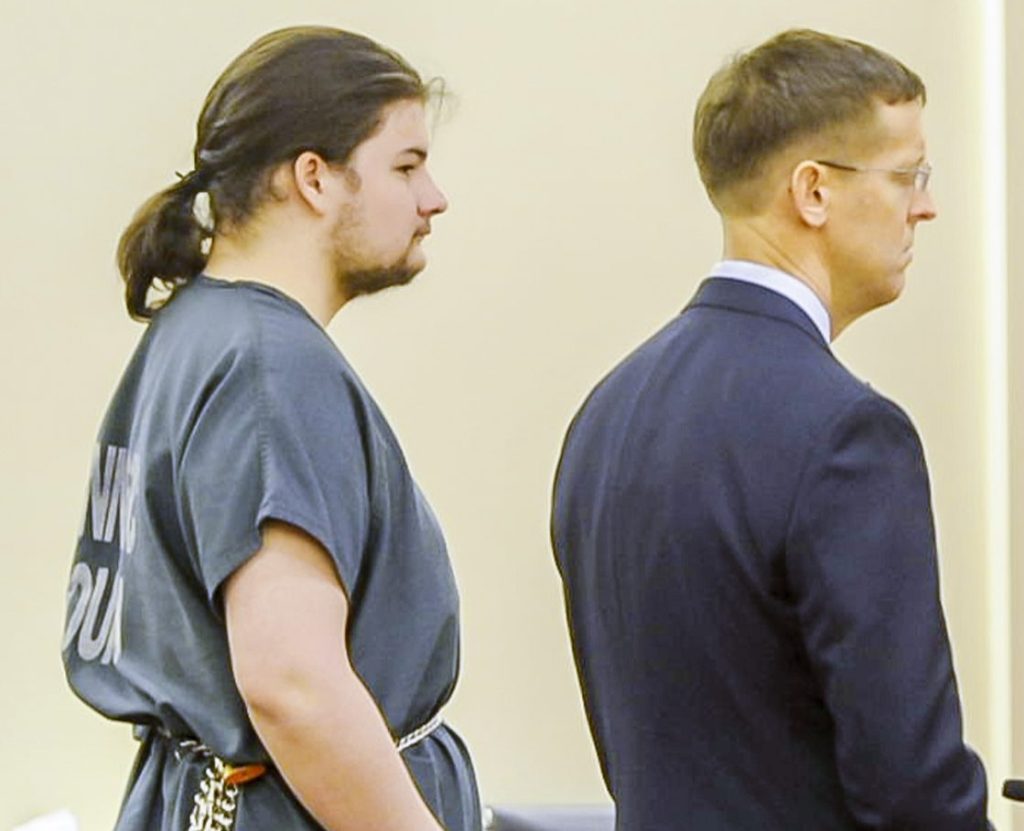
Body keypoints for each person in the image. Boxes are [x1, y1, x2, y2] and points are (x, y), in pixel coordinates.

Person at [551, 29, 991, 830]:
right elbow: (910, 786)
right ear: (813, 191)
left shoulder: (606, 412)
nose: (925, 205)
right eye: (907, 176)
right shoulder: (849, 432)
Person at [62, 26, 480, 831]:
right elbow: (294, 686)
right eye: (406, 165)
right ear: (314, 179)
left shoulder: (194, 333)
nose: (434, 198)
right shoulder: (269, 366)